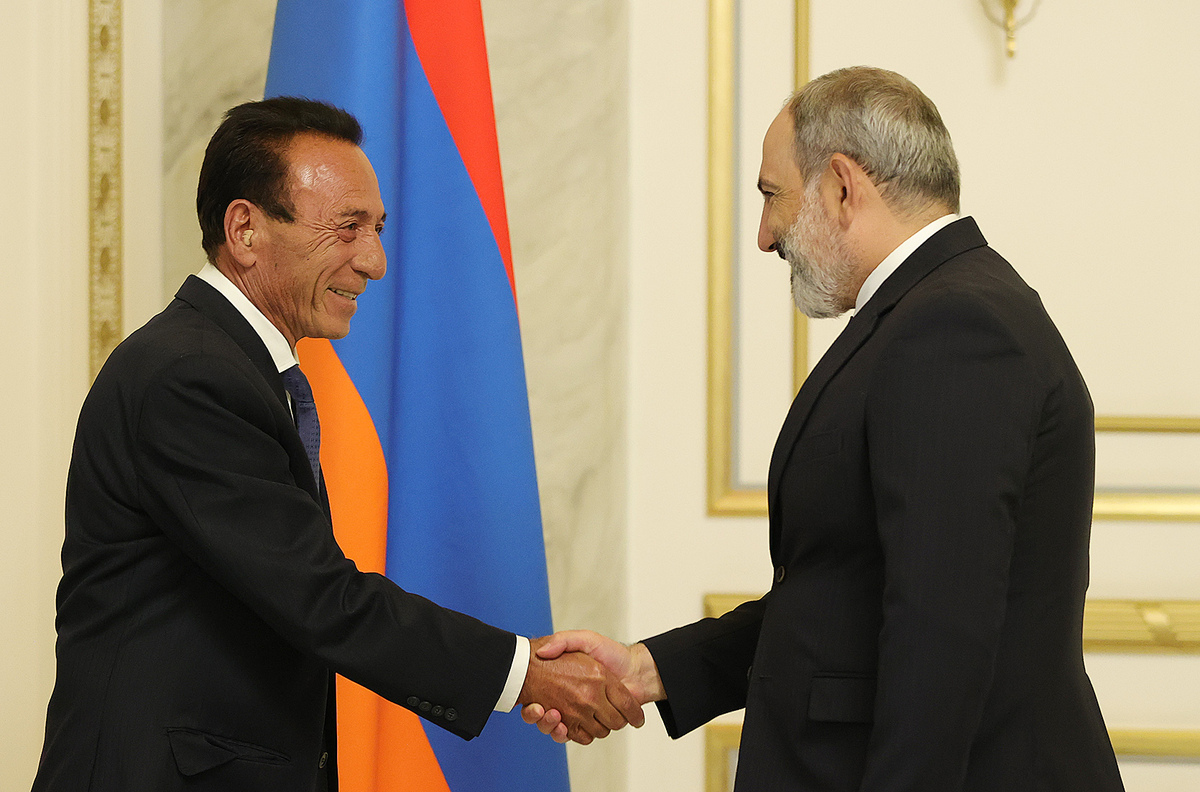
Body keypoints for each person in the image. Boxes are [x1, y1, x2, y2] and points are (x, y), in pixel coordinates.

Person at [525, 67, 1125, 791]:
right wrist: (651, 670)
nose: (764, 236)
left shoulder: (953, 327)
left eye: (771, 195)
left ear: (842, 185)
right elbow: (848, 593)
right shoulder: (934, 311)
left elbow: (941, 633)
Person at [33, 97, 641, 792]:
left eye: (377, 229)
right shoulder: (190, 375)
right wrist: (524, 673)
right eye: (347, 228)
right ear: (245, 229)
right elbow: (320, 598)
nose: (375, 261)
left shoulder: (232, 366)